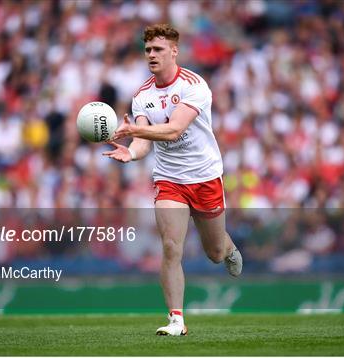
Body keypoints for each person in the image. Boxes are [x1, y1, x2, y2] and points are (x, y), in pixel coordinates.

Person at [103, 24, 242, 336]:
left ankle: (229, 247)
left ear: (174, 51)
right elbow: (142, 141)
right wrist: (132, 153)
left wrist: (134, 133)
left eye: (158, 49)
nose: (151, 55)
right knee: (170, 247)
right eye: (148, 50)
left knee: (215, 253)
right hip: (169, 179)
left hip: (205, 176)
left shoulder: (195, 85)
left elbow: (174, 129)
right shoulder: (141, 96)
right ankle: (176, 320)